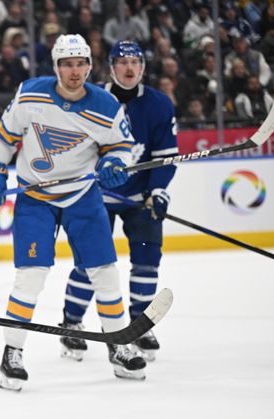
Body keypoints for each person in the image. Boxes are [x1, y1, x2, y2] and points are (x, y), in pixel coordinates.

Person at [0, 34, 147, 392]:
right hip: (34, 196)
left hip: (81, 196)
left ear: (89, 66)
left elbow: (121, 146)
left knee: (104, 272)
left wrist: (115, 162)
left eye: (81, 63)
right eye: (67, 64)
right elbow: (4, 137)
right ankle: (12, 352)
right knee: (30, 276)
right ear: (55, 67)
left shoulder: (106, 105)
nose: (75, 71)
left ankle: (117, 343)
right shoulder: (30, 94)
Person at [57, 41, 179, 364]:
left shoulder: (159, 106)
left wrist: (159, 191)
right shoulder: (91, 100)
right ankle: (71, 322)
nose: (129, 68)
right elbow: (74, 149)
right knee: (90, 262)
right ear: (110, 67)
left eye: (135, 62)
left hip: (139, 197)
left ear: (143, 68)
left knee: (147, 258)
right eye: (121, 62)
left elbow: (165, 158)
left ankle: (139, 325)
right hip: (95, 196)